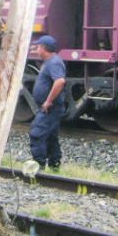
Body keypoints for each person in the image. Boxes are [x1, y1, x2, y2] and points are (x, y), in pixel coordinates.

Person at [29, 35, 66, 171]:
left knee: (37, 133)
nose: (36, 49)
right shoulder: (50, 61)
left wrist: (48, 101)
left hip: (50, 109)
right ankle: (54, 165)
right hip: (50, 108)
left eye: (38, 47)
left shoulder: (54, 62)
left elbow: (60, 81)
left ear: (44, 48)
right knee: (50, 136)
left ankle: (39, 166)